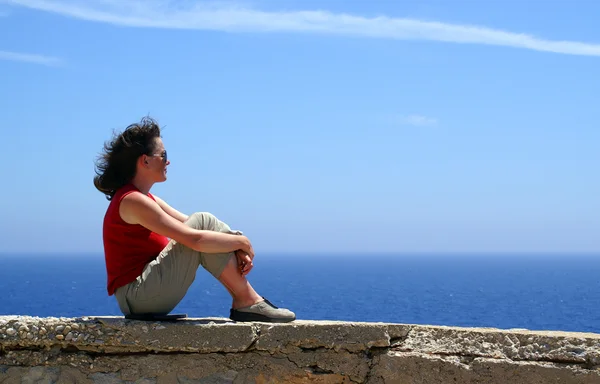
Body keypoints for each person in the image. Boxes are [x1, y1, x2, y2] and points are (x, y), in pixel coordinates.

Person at [93, 117, 295, 323]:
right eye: (164, 155)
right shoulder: (132, 201)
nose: (168, 161)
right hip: (138, 296)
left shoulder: (145, 199)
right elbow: (195, 239)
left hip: (144, 294)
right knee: (202, 222)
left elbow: (191, 224)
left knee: (203, 222)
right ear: (145, 160)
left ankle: (247, 301)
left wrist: (235, 241)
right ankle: (247, 302)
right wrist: (243, 243)